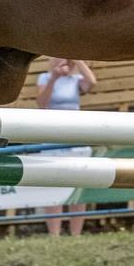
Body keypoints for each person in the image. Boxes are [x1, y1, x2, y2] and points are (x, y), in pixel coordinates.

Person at [35, 58, 98, 236]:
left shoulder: (76, 80)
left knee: (78, 186)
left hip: (74, 134)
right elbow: (42, 103)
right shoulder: (44, 78)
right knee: (54, 186)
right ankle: (54, 234)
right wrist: (54, 78)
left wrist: (77, 59)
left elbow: (91, 82)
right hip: (52, 136)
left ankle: (75, 233)